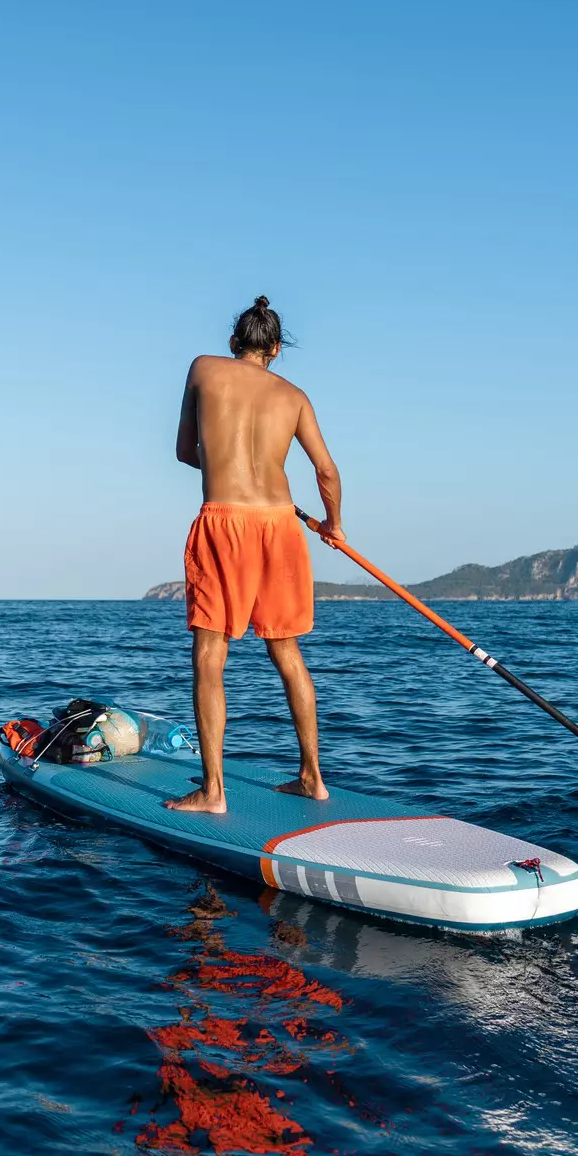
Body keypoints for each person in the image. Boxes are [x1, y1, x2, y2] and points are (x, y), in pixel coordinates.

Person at [164, 295, 343, 814]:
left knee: (210, 655)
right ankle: (312, 777)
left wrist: (226, 468)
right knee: (287, 654)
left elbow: (183, 451)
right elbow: (327, 473)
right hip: (282, 526)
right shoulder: (295, 396)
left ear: (233, 342)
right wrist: (332, 525)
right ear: (277, 349)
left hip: (225, 521)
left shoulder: (203, 369)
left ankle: (214, 791)